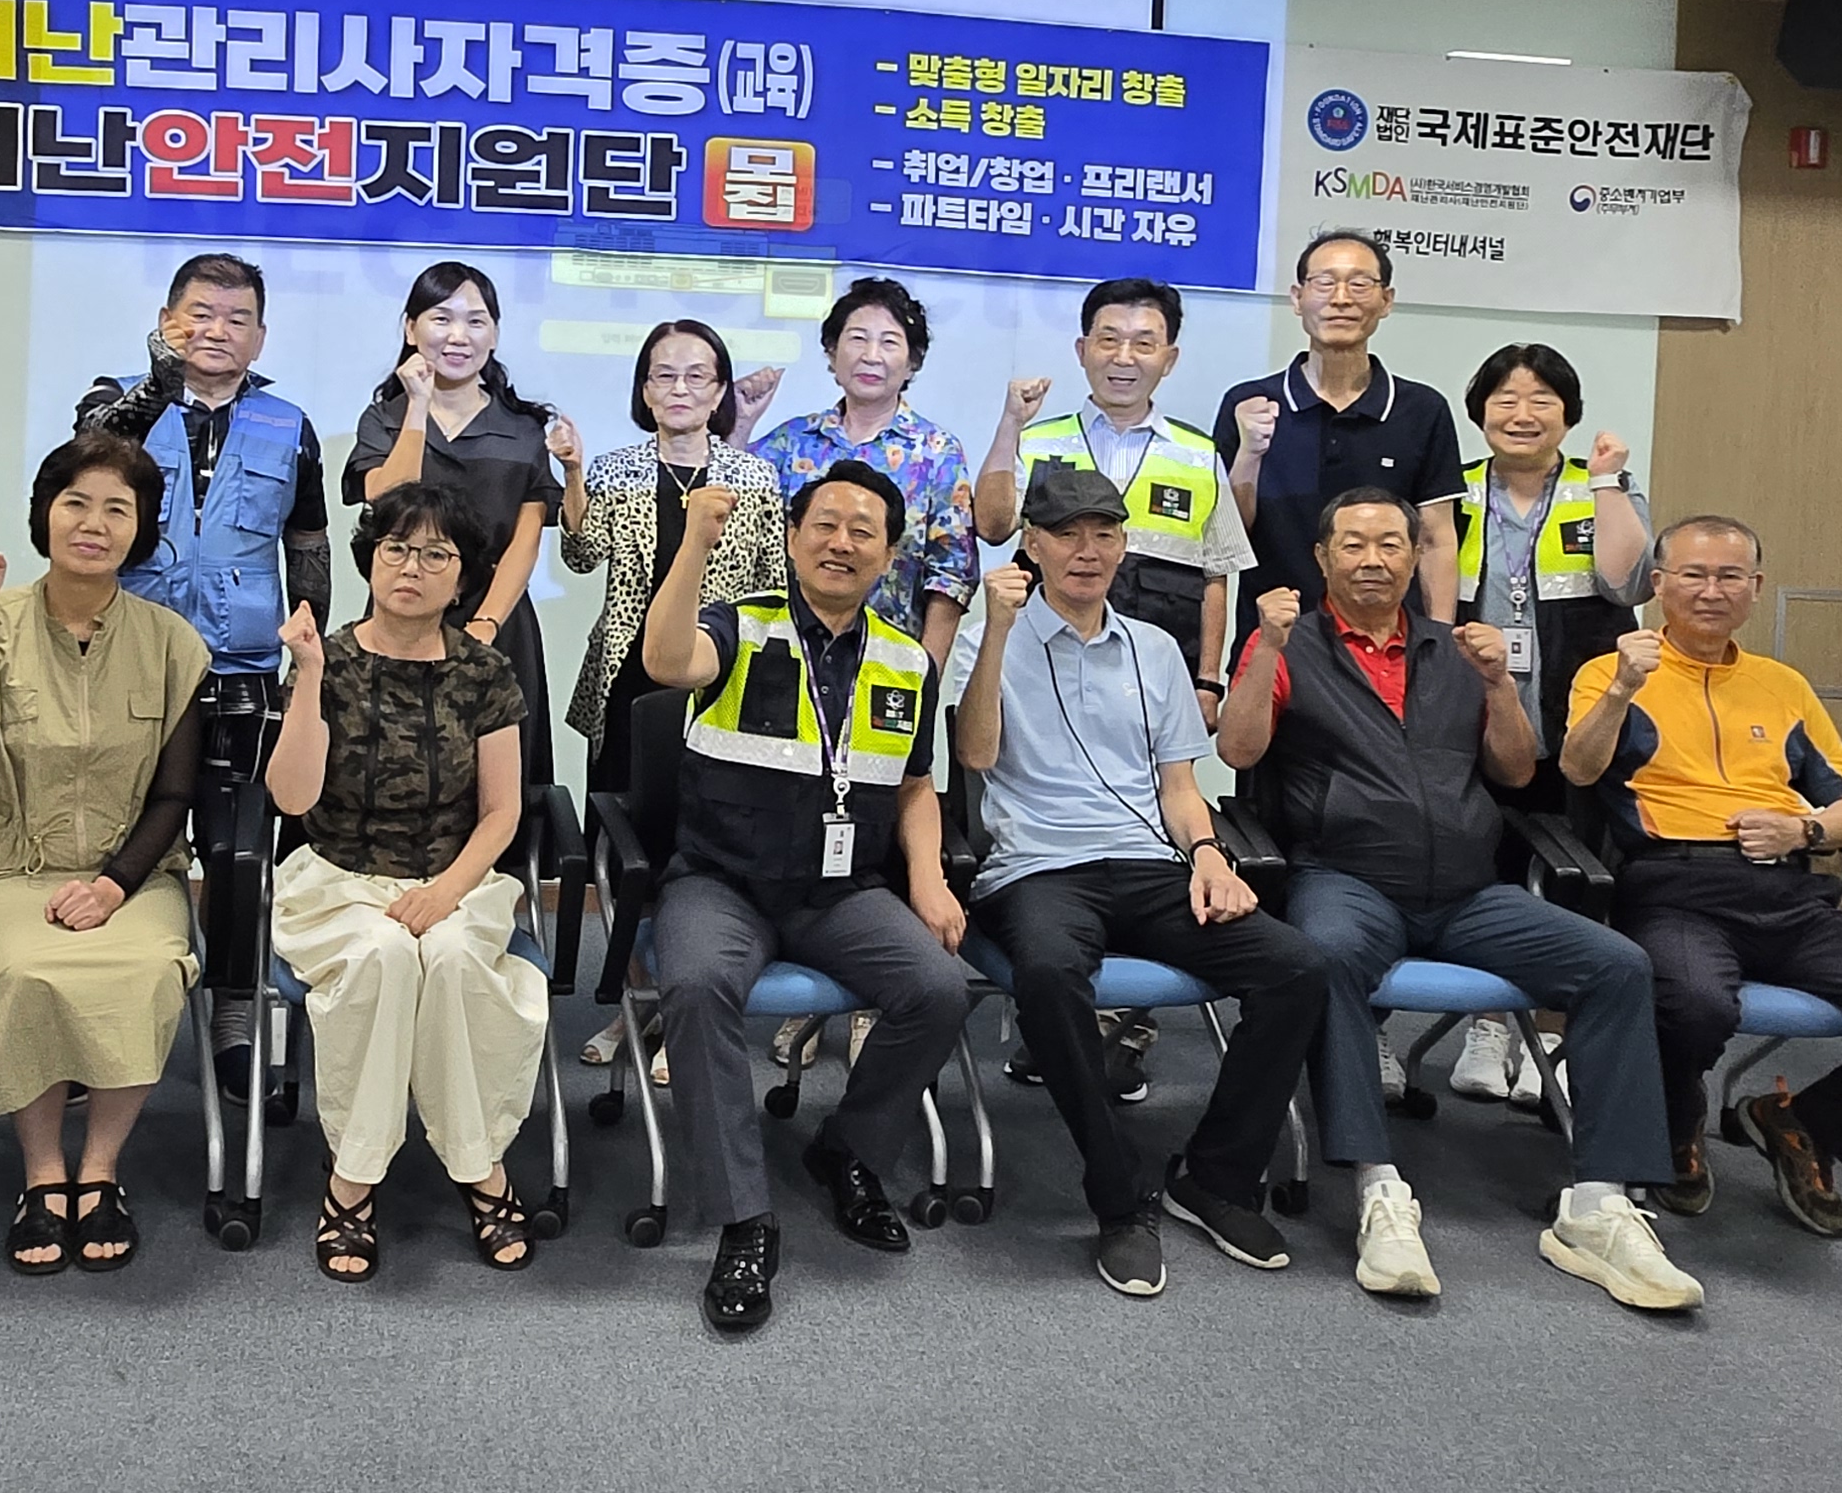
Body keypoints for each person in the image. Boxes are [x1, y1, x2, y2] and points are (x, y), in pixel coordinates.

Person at [1215, 486, 1703, 1315]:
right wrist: (1264, 649)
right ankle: (1379, 1187)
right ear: (1323, 558)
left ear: (1417, 557)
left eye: (1391, 545)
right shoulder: (1290, 646)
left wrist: (1500, 685)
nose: (1373, 560)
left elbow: (1514, 770)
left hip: (1470, 892)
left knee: (1617, 964)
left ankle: (1599, 1205)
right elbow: (1238, 748)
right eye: (1353, 545)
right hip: (1347, 879)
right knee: (1324, 956)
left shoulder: (1454, 650)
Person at [950, 467, 1329, 1299]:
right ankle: (1118, 1197)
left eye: (1104, 534)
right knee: (1050, 974)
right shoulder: (989, 639)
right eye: (1067, 535)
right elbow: (975, 755)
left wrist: (1209, 857)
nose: (1087, 552)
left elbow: (1179, 788)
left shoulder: (1155, 650)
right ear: (1033, 545)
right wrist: (998, 631)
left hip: (1150, 863)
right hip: (1037, 867)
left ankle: (1215, 1178)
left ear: (1124, 546)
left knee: (1297, 968)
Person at [1560, 515, 1842, 1236]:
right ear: (1658, 584)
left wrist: (1804, 830)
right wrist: (1623, 689)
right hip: (1675, 888)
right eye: (1693, 575)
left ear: (1755, 589)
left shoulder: (1782, 685)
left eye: (1730, 577)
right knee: (1694, 1006)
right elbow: (1577, 769)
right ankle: (1677, 1120)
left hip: (1791, 893)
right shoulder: (1609, 672)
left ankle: (1802, 1123)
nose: (1711, 591)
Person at [637, 461, 974, 1337]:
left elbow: (915, 787)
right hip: (723, 881)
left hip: (840, 892)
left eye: (865, 531)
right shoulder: (739, 624)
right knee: (695, 987)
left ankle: (848, 1151)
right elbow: (666, 661)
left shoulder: (906, 659)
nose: (842, 542)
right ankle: (745, 1219)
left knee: (939, 989)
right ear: (793, 537)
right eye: (825, 524)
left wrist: (929, 879)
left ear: (889, 555)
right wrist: (694, 544)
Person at [0, 433, 211, 1276]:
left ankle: (100, 1170)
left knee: (147, 969)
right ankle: (41, 1176)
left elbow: (174, 797)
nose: (94, 524)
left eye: (117, 509)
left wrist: (114, 884)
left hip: (131, 875)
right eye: (76, 503)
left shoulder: (172, 643)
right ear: (44, 516)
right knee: (31, 970)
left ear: (141, 530)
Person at [263, 485, 542, 1280]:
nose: (411, 567)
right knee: (384, 956)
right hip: (338, 880)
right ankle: (352, 1180)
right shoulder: (328, 659)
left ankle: (478, 1163)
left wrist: (446, 892)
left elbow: (501, 812)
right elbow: (291, 800)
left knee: (450, 958)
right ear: (371, 560)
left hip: (456, 878)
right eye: (396, 549)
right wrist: (308, 677)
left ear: (463, 579)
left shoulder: (484, 673)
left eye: (435, 555)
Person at [76, 253, 333, 1096]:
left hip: (243, 665)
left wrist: (307, 656)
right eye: (198, 313)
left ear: (259, 336)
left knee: (237, 849)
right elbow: (85, 464)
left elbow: (308, 545)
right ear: (166, 319)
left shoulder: (288, 425)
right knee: (108, 834)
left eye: (235, 319)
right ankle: (84, 1010)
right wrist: (160, 379)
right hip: (126, 659)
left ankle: (233, 1009)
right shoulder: (116, 398)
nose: (215, 331)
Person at [1438, 339, 1647, 1108]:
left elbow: (1627, 583)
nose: (1522, 415)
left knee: (1575, 871)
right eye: (1506, 400)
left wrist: (1611, 483)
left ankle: (1553, 1033)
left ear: (1568, 413)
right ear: (1480, 412)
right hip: (1480, 707)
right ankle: (1489, 1025)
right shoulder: (1452, 490)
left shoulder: (1601, 487)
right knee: (1484, 867)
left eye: (1541, 401)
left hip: (1577, 711)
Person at [343, 262, 569, 804]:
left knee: (499, 781)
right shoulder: (384, 419)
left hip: (499, 619)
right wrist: (418, 408)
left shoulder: (523, 428)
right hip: (401, 614)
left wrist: (485, 625)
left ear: (494, 334)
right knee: (393, 767)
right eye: (441, 318)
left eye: (476, 321)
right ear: (411, 328)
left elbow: (526, 540)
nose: (458, 336)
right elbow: (386, 501)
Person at [971, 276, 1252, 708]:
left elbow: (1216, 575)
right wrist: (1010, 425)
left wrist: (1209, 682)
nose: (1124, 358)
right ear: (1082, 350)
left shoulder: (1199, 454)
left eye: (1143, 344)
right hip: (1043, 667)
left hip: (1159, 673)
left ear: (1169, 358)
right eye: (1109, 340)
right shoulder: (1037, 441)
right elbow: (991, 528)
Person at [557, 317, 788, 806]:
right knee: (618, 807)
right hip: (628, 667)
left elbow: (773, 587)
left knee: (707, 808)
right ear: (645, 391)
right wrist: (573, 473)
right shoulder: (616, 469)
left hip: (718, 669)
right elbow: (581, 556)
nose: (679, 388)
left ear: (719, 392)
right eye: (664, 376)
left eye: (696, 376)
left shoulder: (754, 477)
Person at [1214, 230, 1465, 624]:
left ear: (1386, 300)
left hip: (1393, 644)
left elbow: (1435, 541)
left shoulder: (1422, 409)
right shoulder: (1249, 404)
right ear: (1297, 298)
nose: (1342, 298)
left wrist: (1440, 640)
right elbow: (1225, 538)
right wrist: (1249, 453)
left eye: (1360, 284)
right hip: (1276, 638)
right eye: (1325, 282)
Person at [736, 277, 976, 667]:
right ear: (832, 354)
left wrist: (925, 673)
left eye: (889, 342)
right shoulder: (791, 441)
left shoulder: (937, 452)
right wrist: (740, 424)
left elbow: (952, 574)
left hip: (889, 663)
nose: (871, 355)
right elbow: (730, 521)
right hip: (782, 657)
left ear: (912, 362)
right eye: (858, 339)